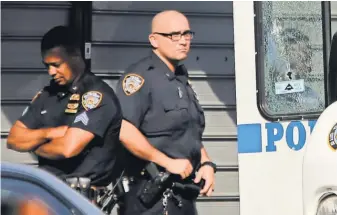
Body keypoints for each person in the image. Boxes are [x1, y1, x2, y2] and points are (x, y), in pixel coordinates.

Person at [7, 26, 124, 202]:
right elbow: (13, 139)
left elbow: (67, 149)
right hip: (48, 194)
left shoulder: (96, 96)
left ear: (76, 55)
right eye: (47, 66)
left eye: (56, 65)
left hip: (80, 198)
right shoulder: (48, 95)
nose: (51, 72)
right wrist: (49, 133)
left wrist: (33, 145)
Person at [116, 10, 217, 215]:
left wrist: (205, 162)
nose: (183, 41)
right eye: (174, 35)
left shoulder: (180, 77)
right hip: (151, 196)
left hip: (182, 194)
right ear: (154, 40)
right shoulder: (140, 77)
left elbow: (187, 131)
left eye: (187, 34)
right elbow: (124, 131)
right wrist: (167, 162)